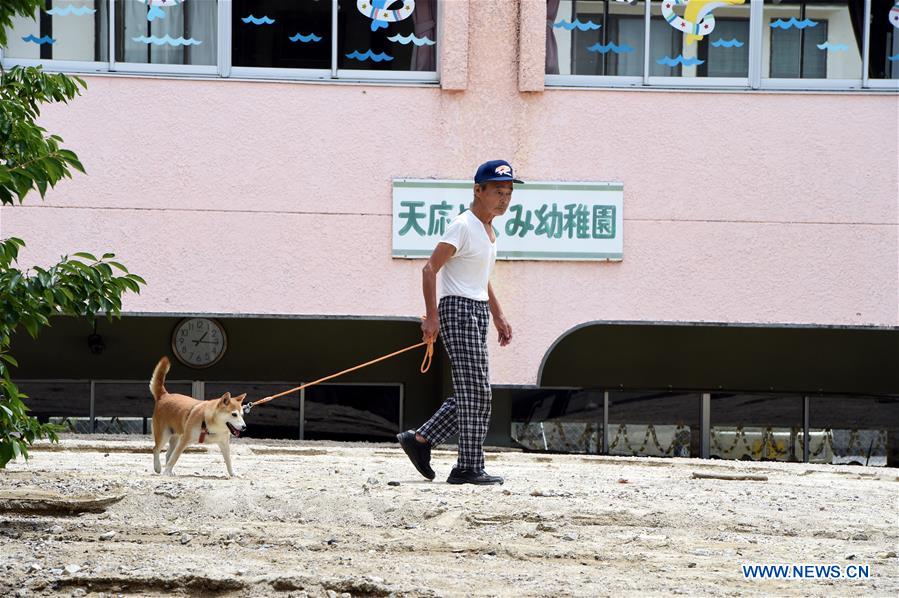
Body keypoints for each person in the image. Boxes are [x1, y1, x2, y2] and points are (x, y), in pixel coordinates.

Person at [397, 159, 521, 485]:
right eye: (497, 191)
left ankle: (421, 439)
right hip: (458, 309)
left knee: (472, 392)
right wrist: (432, 317)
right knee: (477, 392)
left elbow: (482, 278)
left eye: (508, 192)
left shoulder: (489, 230)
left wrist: (498, 315)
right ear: (478, 190)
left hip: (477, 310)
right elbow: (429, 269)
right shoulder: (463, 225)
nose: (504, 198)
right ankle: (467, 467)